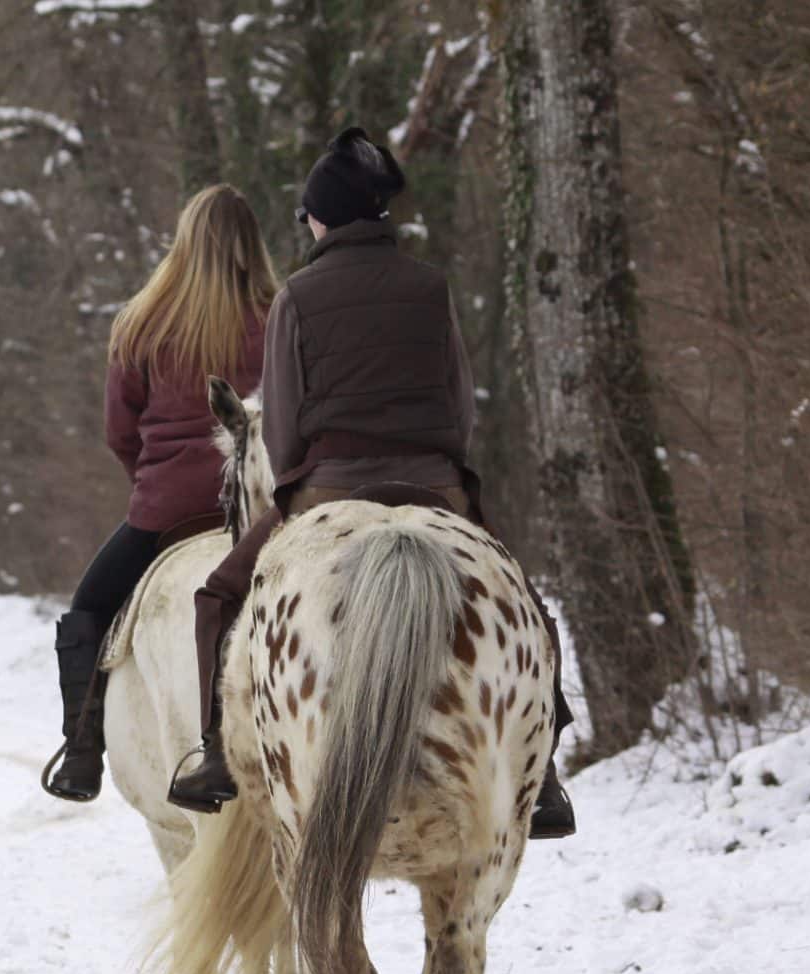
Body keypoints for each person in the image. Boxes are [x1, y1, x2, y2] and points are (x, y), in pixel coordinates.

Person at [165, 129, 576, 839]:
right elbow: (461, 407)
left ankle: (214, 756)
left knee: (216, 595)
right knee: (528, 608)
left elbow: (284, 432)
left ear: (321, 217)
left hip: (329, 489)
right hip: (435, 485)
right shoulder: (430, 286)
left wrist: (304, 480)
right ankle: (543, 773)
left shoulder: (296, 297)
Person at [42, 185, 278, 802]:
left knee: (90, 605)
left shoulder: (142, 324)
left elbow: (121, 433)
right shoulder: (280, 317)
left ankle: (81, 752)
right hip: (266, 511)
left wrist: (157, 486)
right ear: (252, 247)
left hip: (167, 511)